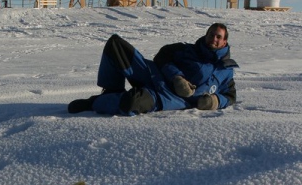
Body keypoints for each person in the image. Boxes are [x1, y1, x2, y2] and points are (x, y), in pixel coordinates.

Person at [68, 23, 238, 116]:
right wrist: (176, 77)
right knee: (115, 45)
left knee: (131, 103)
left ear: (224, 42)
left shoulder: (225, 70)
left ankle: (94, 103)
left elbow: (230, 96)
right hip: (154, 74)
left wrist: (213, 101)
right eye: (211, 34)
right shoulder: (186, 49)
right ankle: (111, 90)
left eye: (218, 37)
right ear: (205, 35)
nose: (213, 39)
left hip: (168, 98)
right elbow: (162, 57)